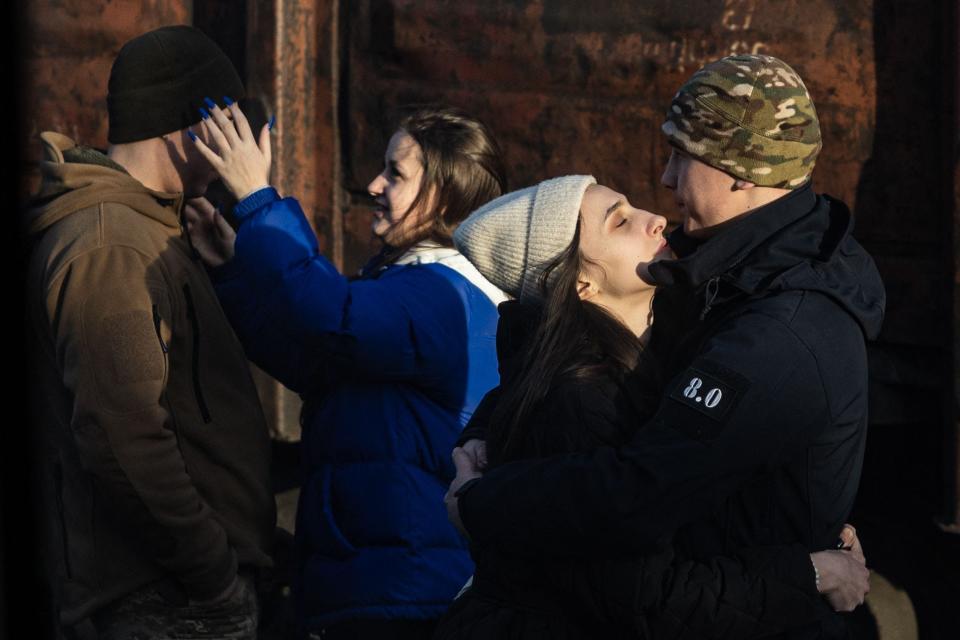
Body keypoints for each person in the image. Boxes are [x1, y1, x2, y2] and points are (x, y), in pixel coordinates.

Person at [445, 54, 886, 638]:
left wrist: (480, 502)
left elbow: (637, 494)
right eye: (620, 219)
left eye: (684, 155)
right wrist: (485, 436)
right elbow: (548, 355)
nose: (666, 182)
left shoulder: (779, 330)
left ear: (740, 171)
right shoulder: (730, 257)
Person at [184, 103, 508, 639]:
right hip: (385, 577)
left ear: (445, 197)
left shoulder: (442, 294)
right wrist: (234, 267)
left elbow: (329, 316)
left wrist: (257, 199)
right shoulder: (410, 284)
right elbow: (315, 362)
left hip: (409, 589)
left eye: (396, 174)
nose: (375, 184)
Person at [25, 26, 274, 640]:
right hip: (160, 598)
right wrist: (210, 571)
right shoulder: (112, 245)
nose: (243, 143)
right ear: (193, 126)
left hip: (172, 591)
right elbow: (123, 434)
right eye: (232, 123)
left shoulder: (150, 228)